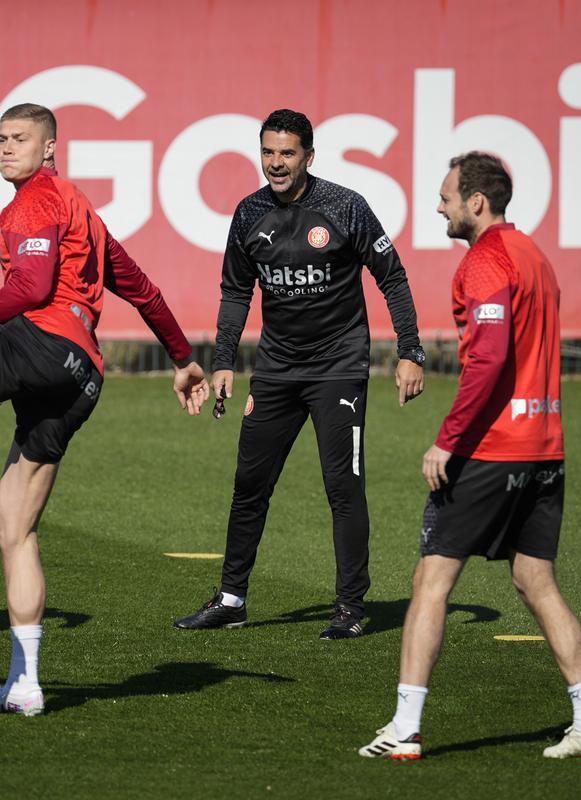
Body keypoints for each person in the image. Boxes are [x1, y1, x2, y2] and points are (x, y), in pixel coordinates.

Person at [0, 102, 209, 716]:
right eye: (0, 138)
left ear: (50, 148)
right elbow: (143, 289)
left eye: (20, 139)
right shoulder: (84, 212)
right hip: (82, 380)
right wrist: (183, 359)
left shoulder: (34, 199)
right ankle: (25, 682)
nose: (6, 148)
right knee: (14, 529)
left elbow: (32, 287)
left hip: (48, 345)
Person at [359, 152, 581, 760]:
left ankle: (405, 728)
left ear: (477, 202)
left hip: (494, 451)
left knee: (431, 580)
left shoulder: (486, 259)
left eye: (446, 195)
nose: (439, 205)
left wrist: (448, 438)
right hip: (546, 447)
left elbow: (490, 357)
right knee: (535, 579)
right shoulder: (535, 257)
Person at [173, 109, 426, 639]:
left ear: (309, 156)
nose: (276, 163)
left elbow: (393, 277)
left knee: (343, 487)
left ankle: (351, 608)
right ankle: (231, 598)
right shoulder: (249, 214)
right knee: (249, 485)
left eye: (287, 153)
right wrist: (224, 362)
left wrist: (411, 351)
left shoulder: (345, 206)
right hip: (276, 371)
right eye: (268, 153)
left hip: (338, 367)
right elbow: (236, 291)